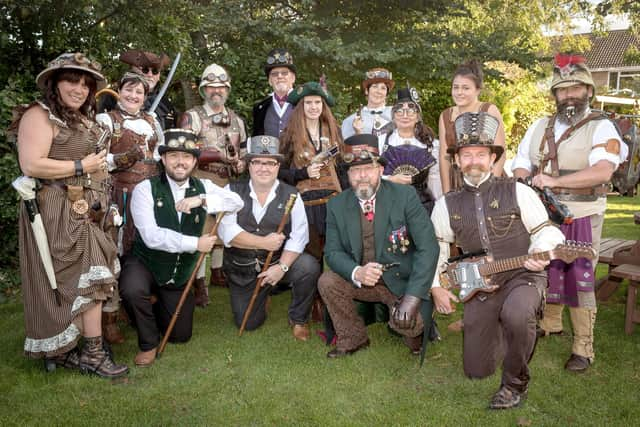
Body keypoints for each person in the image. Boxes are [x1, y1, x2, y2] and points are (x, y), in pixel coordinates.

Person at [430, 111, 565, 409]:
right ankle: (504, 330)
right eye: (467, 155)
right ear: (457, 160)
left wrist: (538, 255)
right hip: (480, 284)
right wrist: (436, 286)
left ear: (492, 158)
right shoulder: (446, 204)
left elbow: (547, 232)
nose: (474, 161)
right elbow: (437, 247)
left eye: (481, 154)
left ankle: (515, 384)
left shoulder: (518, 190)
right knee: (476, 370)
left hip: (522, 276)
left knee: (518, 313)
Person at [12, 52, 128, 378]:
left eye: (84, 84)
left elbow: (98, 166)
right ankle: (93, 351)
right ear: (55, 83)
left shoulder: (82, 119)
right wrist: (81, 166)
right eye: (71, 81)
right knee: (80, 274)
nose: (78, 89)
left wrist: (105, 198)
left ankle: (77, 349)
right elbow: (31, 164)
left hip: (85, 204)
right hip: (53, 205)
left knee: (83, 276)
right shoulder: (39, 115)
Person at [512, 54, 627, 373]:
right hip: (540, 215)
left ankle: (583, 347)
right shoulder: (539, 126)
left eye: (576, 88)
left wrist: (555, 181)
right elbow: (520, 161)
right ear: (555, 95)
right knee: (543, 268)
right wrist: (525, 181)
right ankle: (550, 323)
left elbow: (603, 171)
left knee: (580, 277)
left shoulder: (602, 127)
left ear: (589, 90)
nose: (569, 95)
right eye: (562, 90)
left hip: (582, 214)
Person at [119, 129, 243, 367]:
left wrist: (203, 200)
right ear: (163, 159)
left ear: (194, 161)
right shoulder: (146, 189)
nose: (180, 162)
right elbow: (152, 236)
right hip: (147, 263)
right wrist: (196, 244)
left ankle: (150, 308)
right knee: (133, 289)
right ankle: (148, 342)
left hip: (179, 273)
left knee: (180, 336)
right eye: (174, 155)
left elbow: (236, 202)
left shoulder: (203, 186)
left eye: (186, 157)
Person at [318, 134, 439, 358]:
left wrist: (413, 297)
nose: (362, 176)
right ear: (348, 175)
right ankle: (353, 338)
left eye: (368, 168)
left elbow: (428, 247)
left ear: (381, 171)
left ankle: (415, 328)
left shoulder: (405, 196)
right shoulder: (336, 204)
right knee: (327, 281)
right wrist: (357, 271)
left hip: (401, 282)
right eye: (355, 170)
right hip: (362, 282)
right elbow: (332, 252)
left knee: (408, 324)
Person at [217, 135, 321, 339]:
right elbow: (227, 233)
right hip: (243, 268)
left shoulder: (292, 194)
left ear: (277, 166)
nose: (263, 168)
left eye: (270, 163)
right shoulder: (231, 191)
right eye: (257, 162)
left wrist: (281, 268)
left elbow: (299, 236)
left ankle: (299, 318)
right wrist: (263, 242)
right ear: (248, 165)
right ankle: (263, 297)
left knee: (308, 266)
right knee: (247, 323)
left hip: (277, 263)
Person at [96, 71, 164, 344]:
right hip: (119, 195)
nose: (134, 96)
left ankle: (133, 306)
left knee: (143, 251)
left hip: (147, 196)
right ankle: (109, 316)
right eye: (129, 90)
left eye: (139, 93)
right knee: (115, 253)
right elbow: (97, 159)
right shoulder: (106, 121)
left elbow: (159, 153)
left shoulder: (152, 120)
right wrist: (124, 157)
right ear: (119, 91)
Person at [179, 63, 248, 305]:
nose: (215, 91)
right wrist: (217, 156)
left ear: (227, 89)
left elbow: (242, 152)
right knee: (201, 230)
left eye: (220, 87)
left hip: (225, 181)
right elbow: (183, 150)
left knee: (224, 226)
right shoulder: (192, 116)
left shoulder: (237, 120)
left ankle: (218, 272)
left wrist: (241, 165)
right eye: (210, 87)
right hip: (199, 179)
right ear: (203, 90)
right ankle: (199, 281)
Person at [279, 81, 344, 259]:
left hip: (333, 203)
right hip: (306, 205)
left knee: (336, 255)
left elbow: (343, 169)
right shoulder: (289, 135)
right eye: (308, 102)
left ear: (323, 105)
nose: (313, 107)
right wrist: (303, 173)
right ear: (301, 106)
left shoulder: (334, 131)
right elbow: (279, 173)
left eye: (317, 102)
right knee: (311, 259)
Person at [438, 60, 506, 193]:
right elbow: (444, 158)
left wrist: (489, 189)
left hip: (489, 179)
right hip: (458, 182)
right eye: (455, 87)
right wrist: (446, 193)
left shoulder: (489, 110)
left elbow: (501, 154)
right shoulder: (445, 116)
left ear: (477, 90)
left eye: (466, 88)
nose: (459, 92)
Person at [380, 85, 442, 213]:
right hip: (389, 205)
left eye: (411, 110)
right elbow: (371, 176)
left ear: (418, 116)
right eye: (399, 111)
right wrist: (390, 179)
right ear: (393, 116)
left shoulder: (432, 145)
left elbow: (435, 180)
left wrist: (439, 208)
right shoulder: (381, 142)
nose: (405, 115)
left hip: (422, 206)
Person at [97, 49, 177, 130]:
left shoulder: (166, 104)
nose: (150, 75)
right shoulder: (111, 96)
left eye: (155, 71)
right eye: (145, 70)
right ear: (134, 70)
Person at [252, 48, 297, 138]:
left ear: (293, 78)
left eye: (284, 73)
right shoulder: (260, 108)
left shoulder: (304, 103)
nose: (279, 77)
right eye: (274, 74)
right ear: (269, 80)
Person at [341, 67, 394, 139]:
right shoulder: (350, 121)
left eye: (383, 88)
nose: (379, 91)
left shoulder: (397, 115)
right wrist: (357, 133)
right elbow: (344, 148)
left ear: (386, 94)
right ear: (366, 91)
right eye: (375, 86)